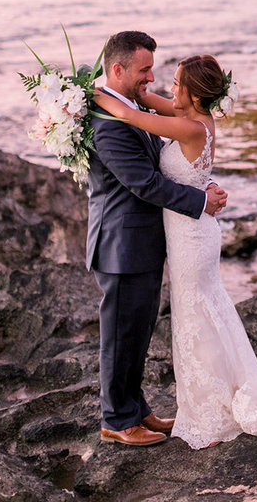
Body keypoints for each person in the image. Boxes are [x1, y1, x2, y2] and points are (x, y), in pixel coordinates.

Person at [94, 52, 257, 448]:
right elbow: (142, 104)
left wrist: (94, 95)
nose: (165, 85)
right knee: (197, 314)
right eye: (150, 72)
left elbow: (132, 116)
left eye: (176, 83)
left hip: (192, 235)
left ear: (194, 94)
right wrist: (100, 93)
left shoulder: (190, 127)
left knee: (198, 314)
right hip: (184, 231)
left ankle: (210, 409)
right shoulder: (191, 119)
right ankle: (166, 407)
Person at [87, 31, 228, 447]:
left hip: (149, 243)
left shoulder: (131, 106)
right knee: (119, 336)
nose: (153, 77)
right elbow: (144, 183)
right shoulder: (110, 123)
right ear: (118, 69)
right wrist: (200, 199)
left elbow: (163, 150)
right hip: (121, 246)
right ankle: (116, 419)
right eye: (145, 69)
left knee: (138, 331)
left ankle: (136, 408)